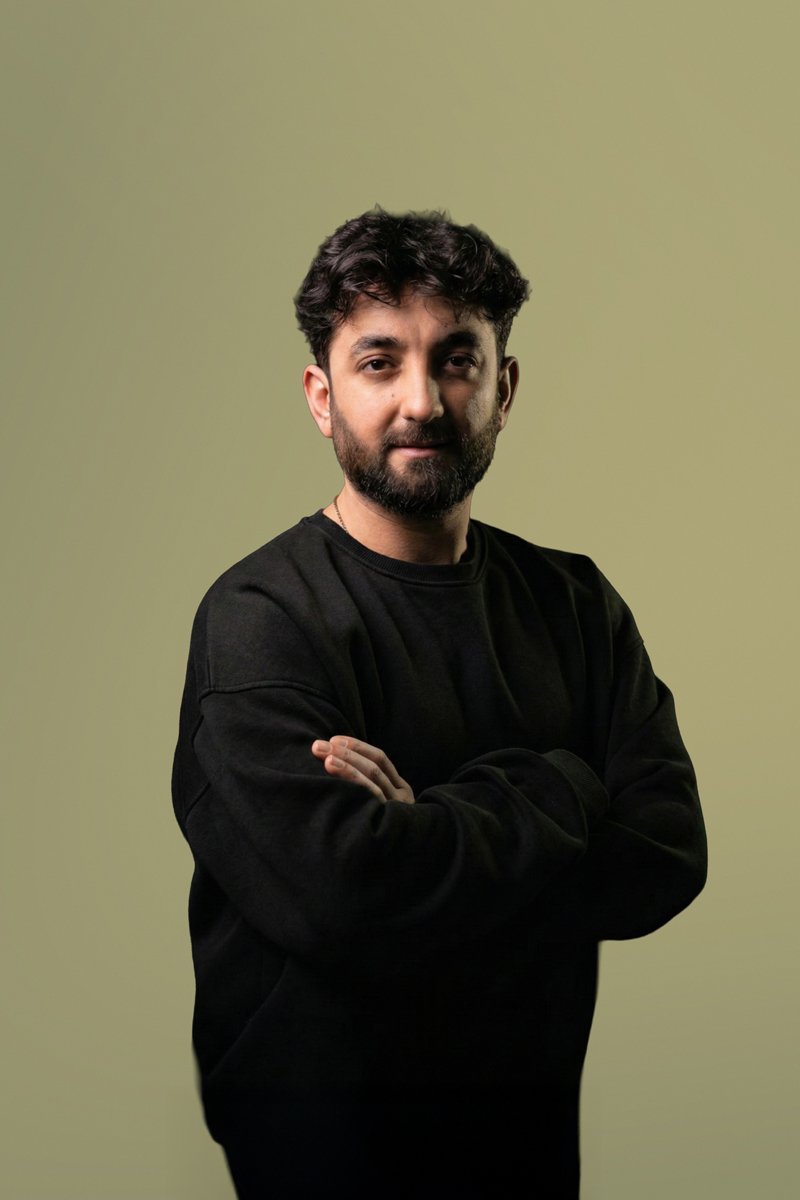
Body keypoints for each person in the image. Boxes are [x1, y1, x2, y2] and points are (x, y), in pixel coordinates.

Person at [171, 208, 707, 1199]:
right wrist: (564, 785)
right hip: (325, 1157)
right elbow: (341, 899)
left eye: (455, 360)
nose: (420, 401)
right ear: (322, 396)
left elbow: (667, 854)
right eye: (379, 363)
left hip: (523, 1142)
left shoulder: (573, 603)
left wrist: (425, 831)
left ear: (503, 389)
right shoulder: (260, 620)